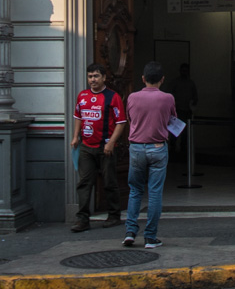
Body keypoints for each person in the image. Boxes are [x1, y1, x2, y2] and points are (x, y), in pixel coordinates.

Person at [123, 61, 175, 250]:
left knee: (135, 190)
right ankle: (150, 237)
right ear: (162, 79)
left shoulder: (132, 97)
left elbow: (130, 119)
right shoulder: (168, 98)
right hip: (158, 147)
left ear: (143, 79)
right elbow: (171, 120)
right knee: (154, 193)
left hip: (136, 147)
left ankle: (130, 232)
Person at [71, 62, 127, 232]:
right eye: (90, 76)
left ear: (104, 77)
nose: (92, 80)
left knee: (109, 182)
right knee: (84, 183)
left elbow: (121, 122)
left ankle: (114, 215)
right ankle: (82, 219)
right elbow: (78, 117)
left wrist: (111, 143)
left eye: (96, 76)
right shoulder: (82, 96)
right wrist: (75, 137)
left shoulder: (113, 97)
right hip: (86, 147)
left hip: (106, 147)